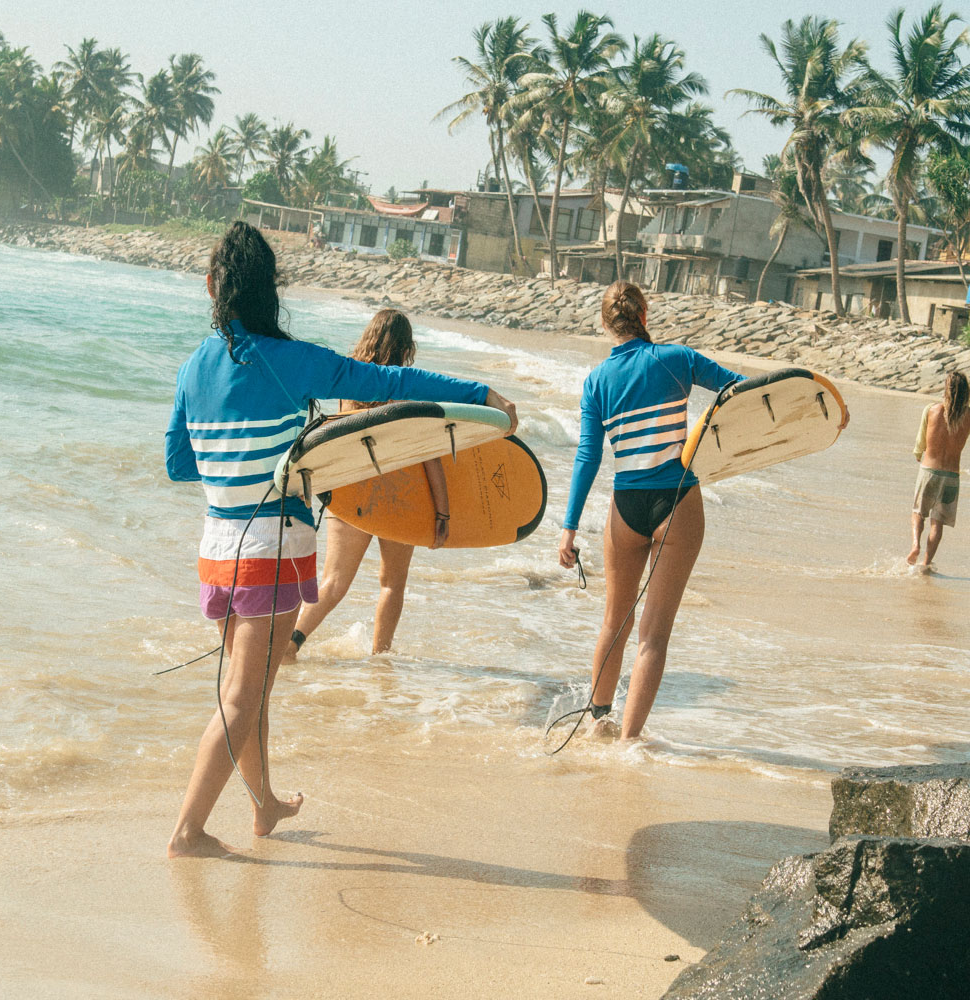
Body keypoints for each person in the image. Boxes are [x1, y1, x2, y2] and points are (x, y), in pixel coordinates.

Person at [164, 221, 516, 858]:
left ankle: (263, 803)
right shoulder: (292, 360)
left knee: (255, 686)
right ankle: (187, 832)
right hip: (269, 548)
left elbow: (178, 463)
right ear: (270, 290)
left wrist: (238, 453)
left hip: (217, 549)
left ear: (213, 285)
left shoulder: (194, 367)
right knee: (243, 697)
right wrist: (478, 396)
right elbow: (390, 387)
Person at [558, 280, 746, 742]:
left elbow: (588, 456)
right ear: (644, 315)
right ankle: (628, 744)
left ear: (606, 325)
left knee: (613, 622)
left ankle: (598, 719)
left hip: (624, 509)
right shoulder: (676, 359)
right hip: (676, 501)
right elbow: (740, 393)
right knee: (653, 636)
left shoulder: (597, 381)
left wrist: (568, 528)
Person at [283, 309, 450, 661]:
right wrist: (443, 513)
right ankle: (380, 659)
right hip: (400, 498)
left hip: (350, 494)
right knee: (392, 584)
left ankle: (290, 644)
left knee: (332, 585)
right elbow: (430, 455)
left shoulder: (348, 384)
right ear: (407, 347)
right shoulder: (407, 388)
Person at [907, 370, 970, 570]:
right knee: (938, 523)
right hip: (951, 475)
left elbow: (920, 443)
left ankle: (915, 545)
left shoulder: (931, 410)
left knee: (918, 513)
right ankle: (925, 564)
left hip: (929, 471)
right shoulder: (968, 416)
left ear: (946, 388)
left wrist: (918, 454)